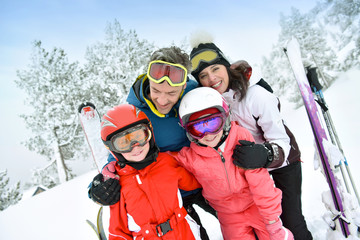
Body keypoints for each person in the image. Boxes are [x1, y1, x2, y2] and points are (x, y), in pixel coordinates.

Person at [189, 37, 313, 240]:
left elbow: (283, 142)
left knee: (289, 222)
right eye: (203, 75)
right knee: (263, 226)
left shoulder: (257, 96)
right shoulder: (213, 105)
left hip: (283, 165)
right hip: (251, 172)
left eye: (215, 69)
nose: (211, 78)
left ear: (226, 67)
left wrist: (264, 154)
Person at [88, 46, 217, 239]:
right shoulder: (135, 113)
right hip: (170, 191)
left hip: (202, 178)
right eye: (156, 90)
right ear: (149, 80)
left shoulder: (193, 92)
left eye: (171, 93)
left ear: (183, 86)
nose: (163, 100)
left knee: (235, 216)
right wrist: (98, 187)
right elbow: (122, 152)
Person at [174, 86, 293, 240]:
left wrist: (273, 221)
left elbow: (261, 183)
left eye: (213, 123)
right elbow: (167, 165)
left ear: (225, 118)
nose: (208, 135)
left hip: (255, 206)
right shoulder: (191, 157)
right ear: (188, 132)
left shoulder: (240, 139)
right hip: (228, 215)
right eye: (197, 128)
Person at [101, 103, 202, 239]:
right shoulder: (118, 184)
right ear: (113, 149)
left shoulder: (167, 162)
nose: (135, 147)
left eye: (139, 136)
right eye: (124, 143)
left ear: (149, 133)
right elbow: (118, 231)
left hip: (184, 233)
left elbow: (195, 182)